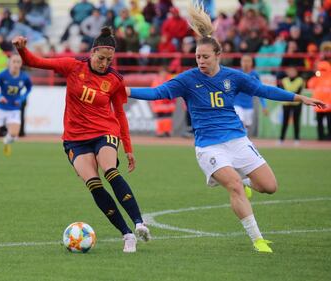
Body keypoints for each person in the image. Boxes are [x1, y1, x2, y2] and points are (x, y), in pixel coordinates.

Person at [126, 2, 326, 253]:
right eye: (198, 56)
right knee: (233, 185)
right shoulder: (188, 79)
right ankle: (258, 239)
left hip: (238, 140)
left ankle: (245, 180)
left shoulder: (233, 77)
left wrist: (300, 98)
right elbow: (158, 92)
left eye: (205, 57)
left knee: (269, 187)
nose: (200, 61)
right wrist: (127, 90)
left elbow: (264, 90)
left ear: (218, 56)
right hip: (210, 146)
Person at [12, 26, 151, 253]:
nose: (105, 63)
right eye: (101, 58)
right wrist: (21, 50)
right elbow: (38, 62)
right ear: (92, 52)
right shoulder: (73, 66)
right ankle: (127, 235)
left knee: (110, 170)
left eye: (109, 60)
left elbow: (120, 115)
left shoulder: (115, 80)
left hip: (104, 131)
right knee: (94, 184)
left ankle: (139, 223)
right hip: (75, 139)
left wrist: (128, 147)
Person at [0, 54, 32, 167]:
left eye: (18, 62)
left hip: (14, 109)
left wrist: (21, 98)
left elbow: (29, 88)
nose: (16, 64)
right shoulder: (2, 75)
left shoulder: (24, 77)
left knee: (14, 133)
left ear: (21, 64)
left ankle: (6, 141)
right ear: (9, 63)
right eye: (14, 62)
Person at [234, 54, 268, 133]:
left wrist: (264, 106)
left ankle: (244, 143)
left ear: (251, 63)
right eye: (244, 61)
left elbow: (260, 91)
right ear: (241, 62)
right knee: (240, 122)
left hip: (249, 106)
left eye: (248, 61)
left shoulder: (255, 75)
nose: (246, 63)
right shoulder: (236, 74)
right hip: (237, 104)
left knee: (247, 127)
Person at [279, 66, 305, 144]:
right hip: (286, 104)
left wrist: (289, 94)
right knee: (285, 121)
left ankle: (296, 139)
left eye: (293, 71)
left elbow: (298, 91)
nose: (291, 73)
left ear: (296, 72)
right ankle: (281, 139)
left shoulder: (300, 80)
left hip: (296, 103)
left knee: (296, 121)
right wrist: (291, 94)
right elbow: (282, 91)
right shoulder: (284, 80)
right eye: (290, 71)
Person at [307, 61, 331, 141]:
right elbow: (310, 85)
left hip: (327, 105)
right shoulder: (316, 79)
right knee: (321, 123)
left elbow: (310, 85)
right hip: (319, 105)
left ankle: (327, 137)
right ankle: (321, 137)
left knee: (328, 123)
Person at [150, 66, 176, 137]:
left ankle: (167, 131)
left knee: (168, 117)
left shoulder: (170, 79)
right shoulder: (156, 80)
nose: (163, 74)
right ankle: (160, 132)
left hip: (168, 102)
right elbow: (153, 91)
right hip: (159, 103)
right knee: (160, 117)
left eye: (164, 72)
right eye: (162, 72)